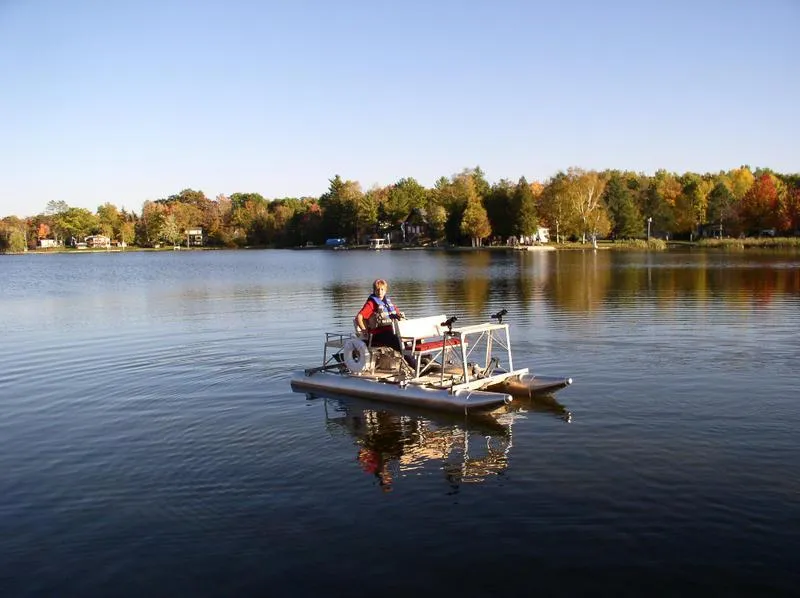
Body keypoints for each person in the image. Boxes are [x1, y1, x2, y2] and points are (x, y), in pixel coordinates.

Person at [354, 279, 406, 352]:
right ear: (374, 290)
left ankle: (415, 357)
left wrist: (400, 317)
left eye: (382, 289)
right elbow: (359, 317)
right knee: (397, 342)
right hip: (377, 334)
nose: (380, 292)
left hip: (390, 331)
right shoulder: (371, 304)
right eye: (377, 289)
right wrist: (364, 329)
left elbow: (397, 314)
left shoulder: (388, 303)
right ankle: (407, 359)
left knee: (408, 338)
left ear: (385, 291)